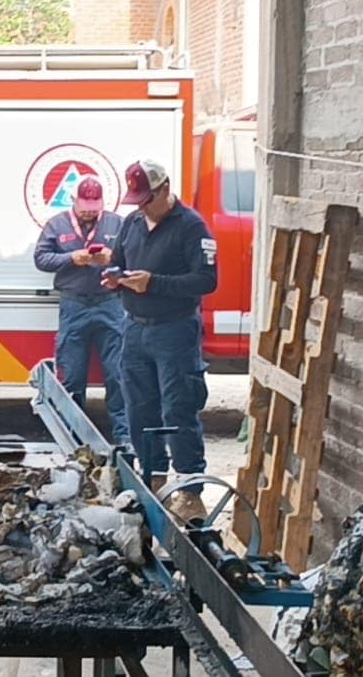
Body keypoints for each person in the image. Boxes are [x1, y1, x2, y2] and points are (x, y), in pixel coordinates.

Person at [102, 159, 217, 523]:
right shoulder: (132, 223)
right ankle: (153, 476)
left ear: (165, 189)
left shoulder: (191, 227)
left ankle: (189, 489)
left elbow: (205, 280)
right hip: (134, 327)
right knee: (139, 407)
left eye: (146, 199)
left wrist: (154, 283)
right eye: (136, 199)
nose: (140, 206)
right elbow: (118, 260)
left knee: (178, 407)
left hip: (174, 329)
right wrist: (113, 277)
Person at [33, 177, 130, 447]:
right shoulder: (57, 224)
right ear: (73, 200)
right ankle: (73, 439)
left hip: (110, 304)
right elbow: (41, 259)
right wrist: (70, 258)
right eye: (85, 205)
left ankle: (124, 437)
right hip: (73, 304)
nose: (89, 211)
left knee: (117, 373)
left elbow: (132, 258)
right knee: (72, 374)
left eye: (94, 206)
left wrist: (112, 258)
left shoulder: (116, 224)